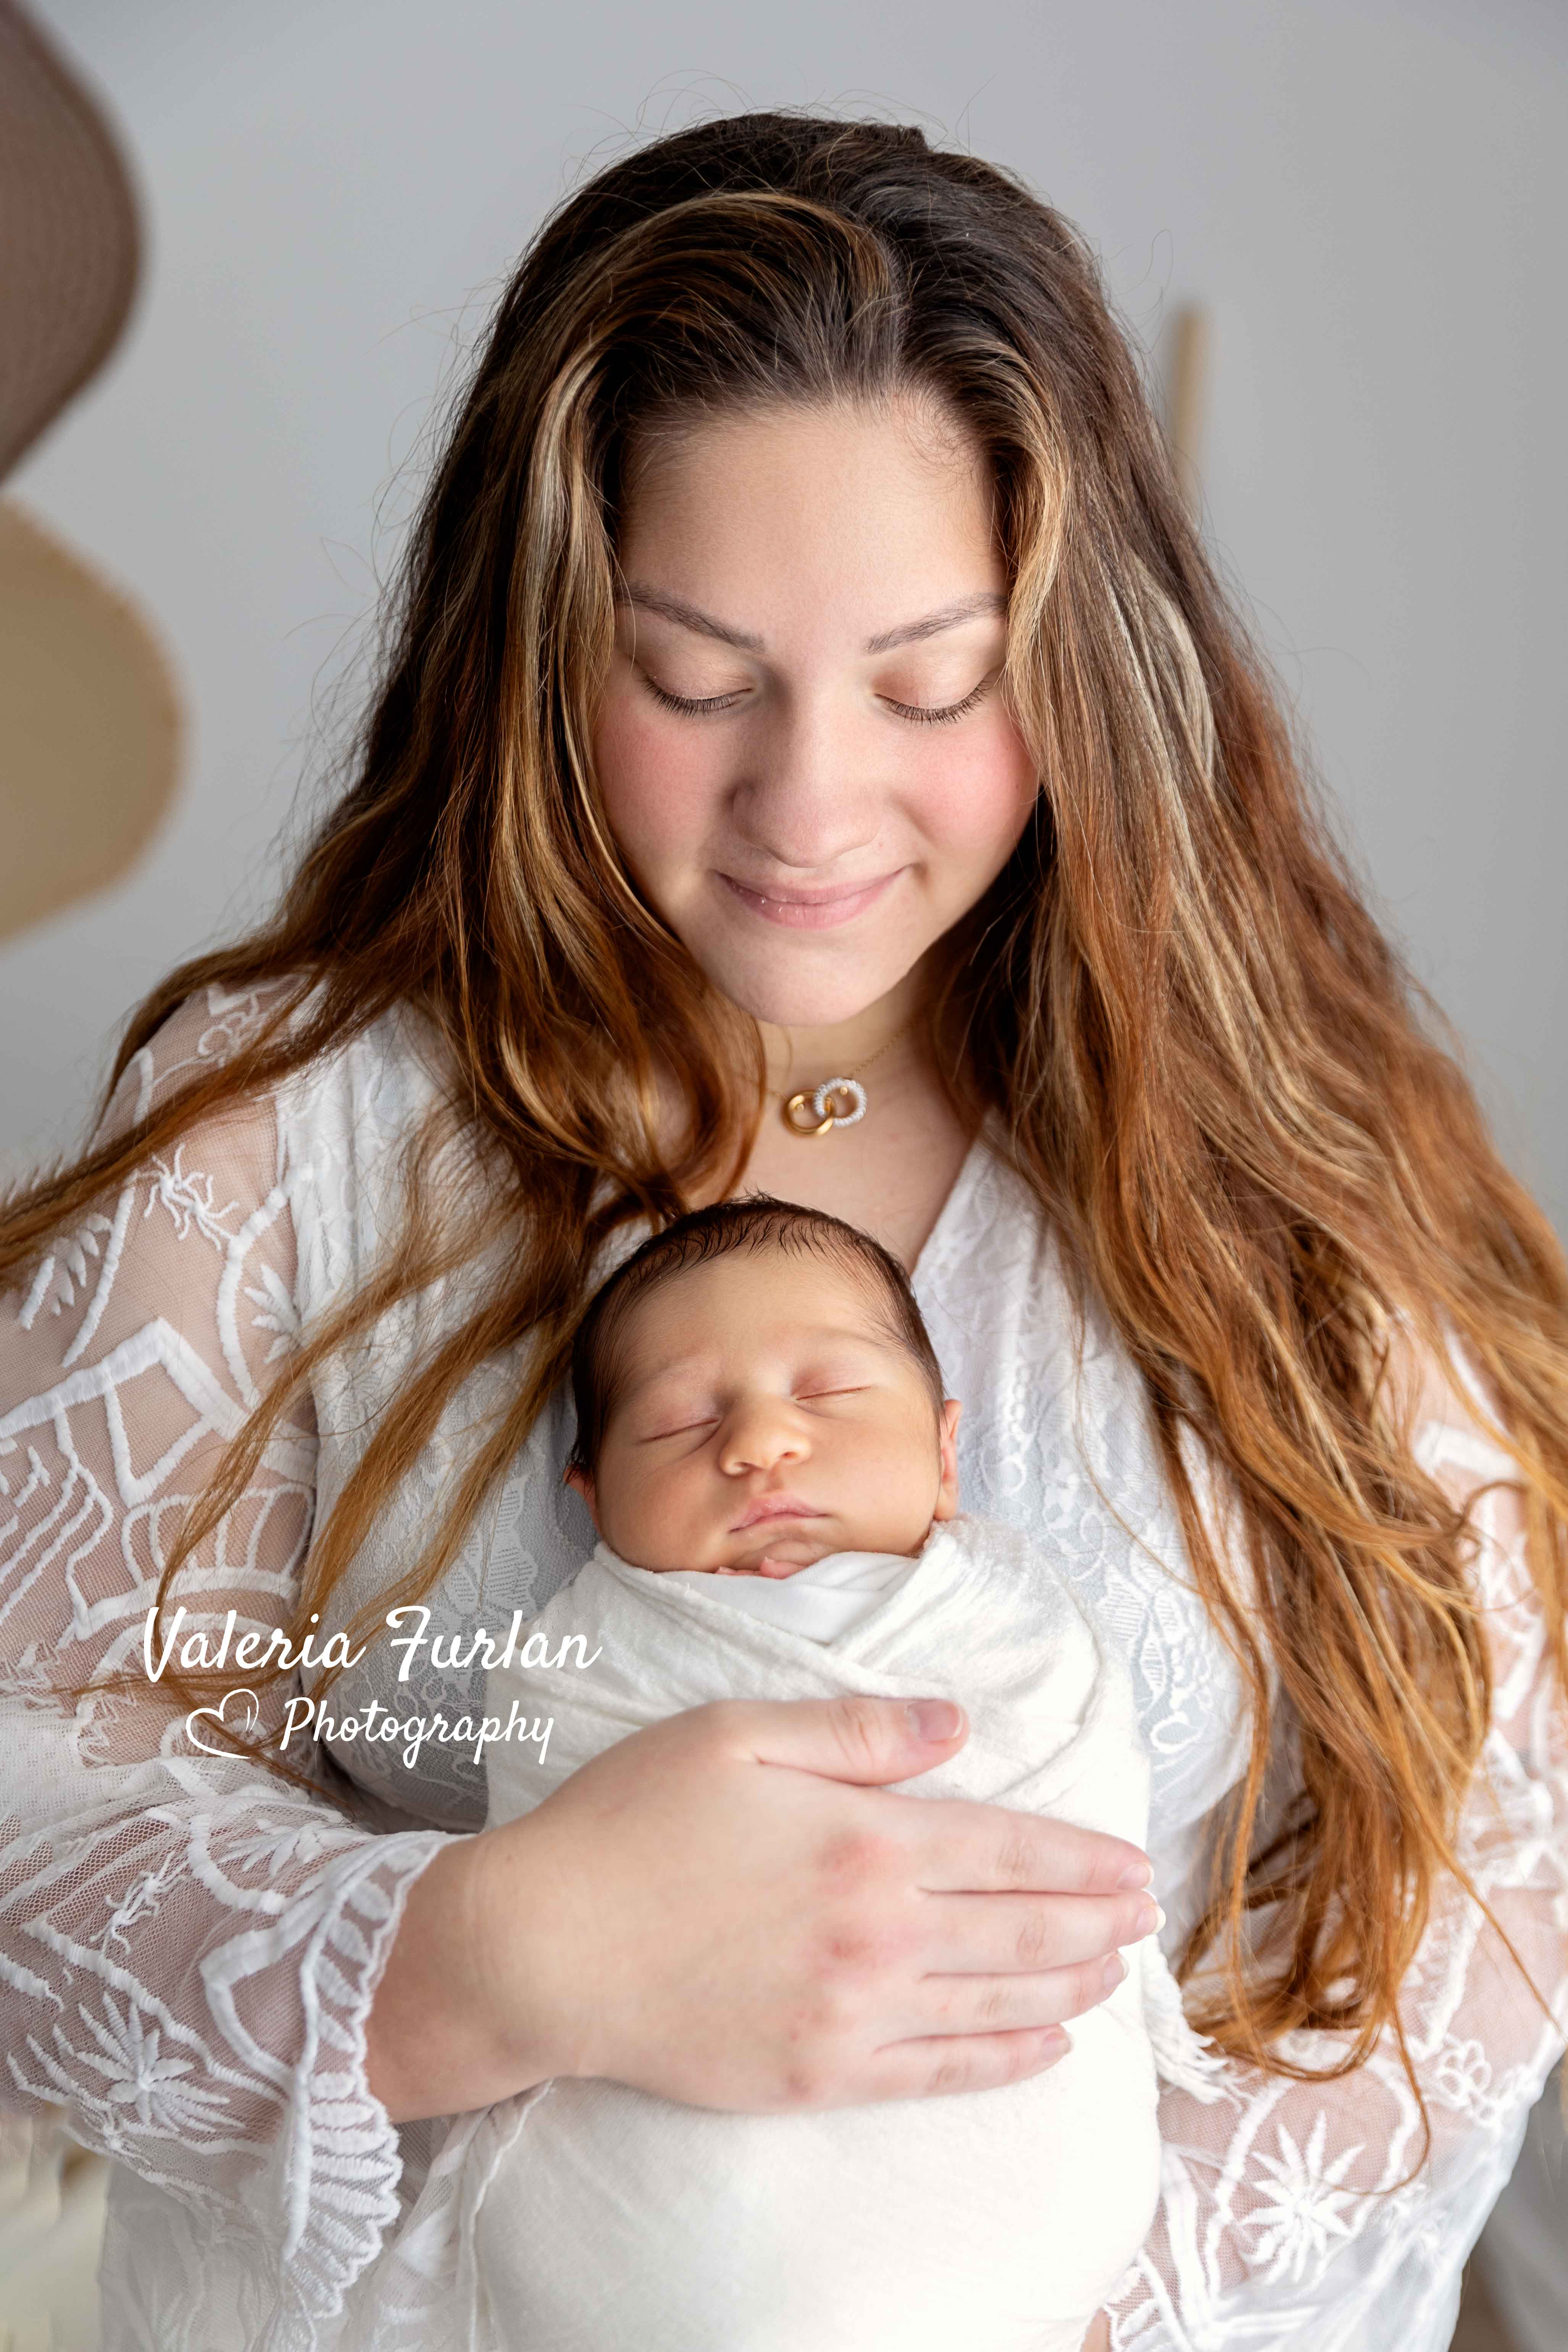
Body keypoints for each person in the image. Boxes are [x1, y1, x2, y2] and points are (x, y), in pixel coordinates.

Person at [0, 109, 1563, 2352]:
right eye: (696, 677)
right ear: (543, 640)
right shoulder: (277, 1141)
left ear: (1070, 660)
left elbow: (1478, 1885)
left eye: (928, 682)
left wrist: (1066, 2289)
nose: (808, 806)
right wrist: (480, 1962)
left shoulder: (1267, 1145)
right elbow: (38, 1807)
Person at [466, 1195, 1219, 2352]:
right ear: (593, 1501)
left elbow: (1089, 1835)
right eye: (675, 1423)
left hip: (1007, 2158)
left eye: (827, 1393)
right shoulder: (575, 1674)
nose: (759, 1442)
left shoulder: (1020, 1638)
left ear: (944, 1451)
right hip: (680, 2208)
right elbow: (540, 1868)